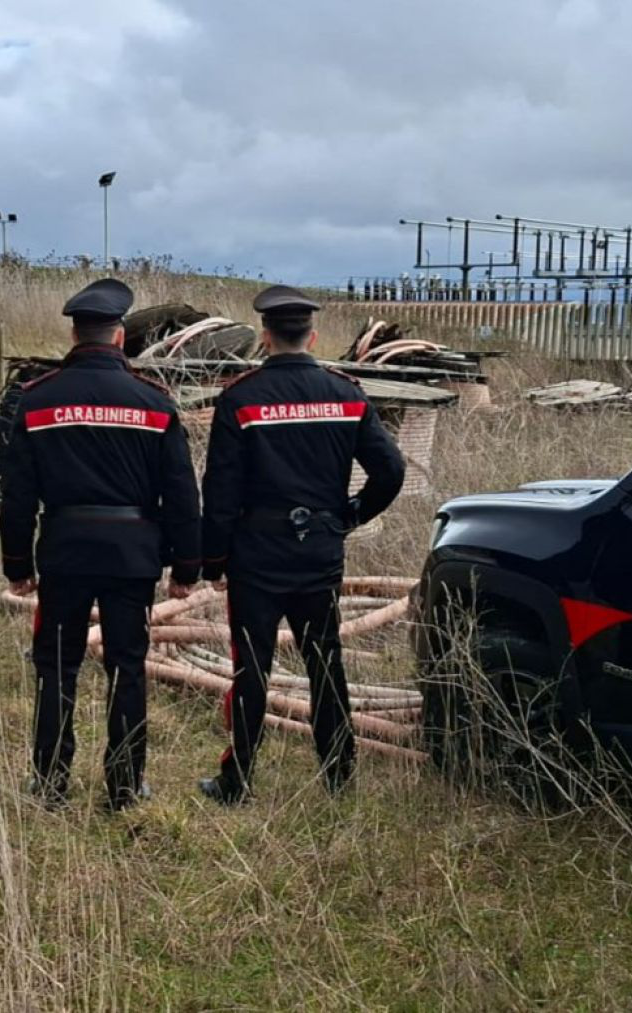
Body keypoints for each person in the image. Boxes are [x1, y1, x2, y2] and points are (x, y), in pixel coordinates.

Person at [197, 285, 406, 804]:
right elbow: (391, 470)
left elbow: (220, 492)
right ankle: (339, 776)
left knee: (250, 667)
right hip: (319, 550)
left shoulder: (240, 397)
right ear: (312, 336)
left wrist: (213, 560)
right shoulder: (346, 393)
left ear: (265, 336)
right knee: (325, 662)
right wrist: (350, 517)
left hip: (256, 554)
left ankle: (237, 781)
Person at [0, 278, 201, 811]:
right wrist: (186, 566)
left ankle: (49, 784)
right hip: (133, 558)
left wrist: (17, 564)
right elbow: (182, 493)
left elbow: (17, 494)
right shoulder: (154, 402)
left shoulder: (37, 400)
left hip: (64, 554)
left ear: (74, 334)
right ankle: (125, 786)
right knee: (127, 669)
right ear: (119, 337)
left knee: (55, 668)